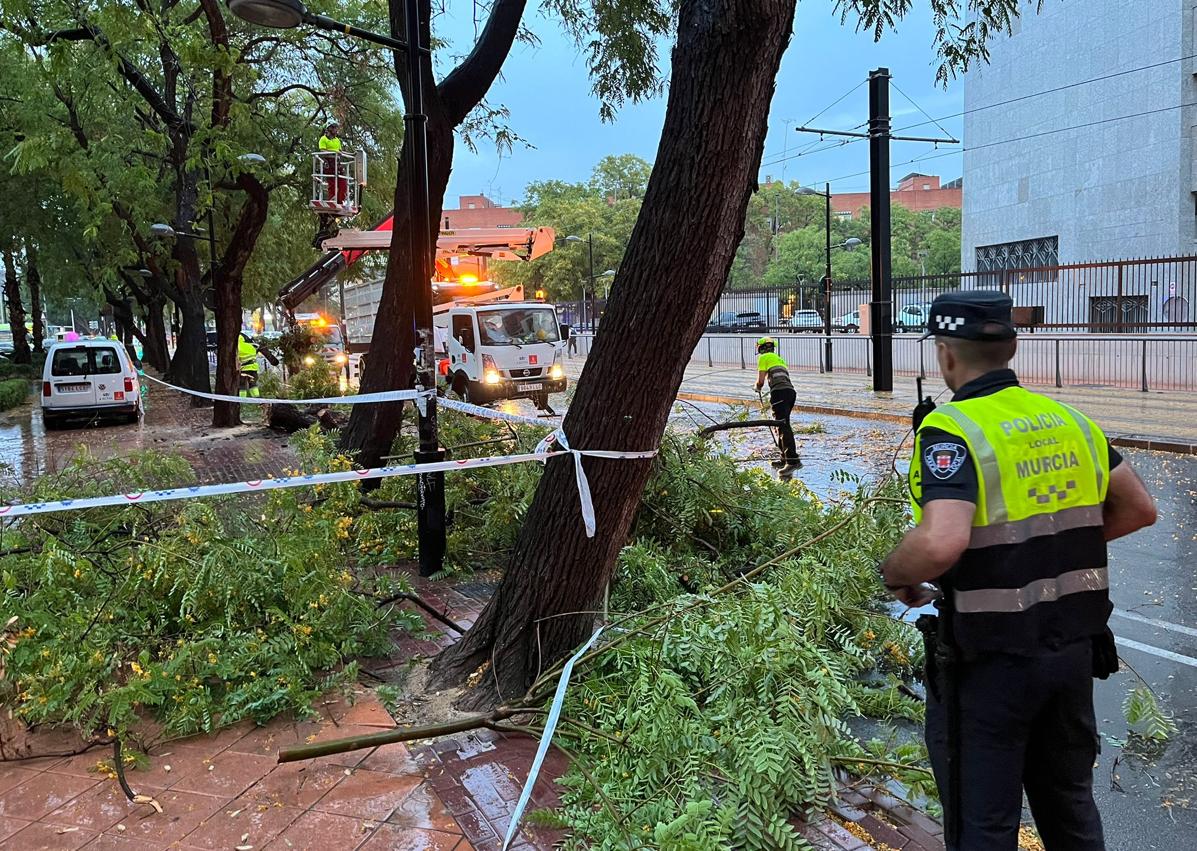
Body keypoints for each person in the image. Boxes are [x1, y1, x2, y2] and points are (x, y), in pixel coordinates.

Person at [879, 290, 1157, 851]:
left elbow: (942, 540)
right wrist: (1049, 547)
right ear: (1011, 348)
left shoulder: (953, 429)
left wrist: (895, 572)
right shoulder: (1070, 420)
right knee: (1071, 809)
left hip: (989, 665)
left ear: (947, 355)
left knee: (983, 824)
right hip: (1073, 655)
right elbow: (1139, 508)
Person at [753, 337, 801, 479]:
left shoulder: (763, 358)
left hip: (779, 393)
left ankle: (792, 460)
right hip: (790, 392)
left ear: (761, 348)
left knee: (782, 426)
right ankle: (784, 459)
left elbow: (761, 381)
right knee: (781, 425)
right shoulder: (779, 358)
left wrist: (757, 388)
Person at [314, 122, 347, 248]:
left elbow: (340, 152)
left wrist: (340, 154)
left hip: (337, 164)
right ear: (328, 128)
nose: (336, 129)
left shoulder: (337, 140)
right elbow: (322, 151)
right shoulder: (323, 139)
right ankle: (332, 199)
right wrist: (333, 154)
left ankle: (339, 201)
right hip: (329, 163)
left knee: (343, 184)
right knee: (332, 184)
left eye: (336, 127)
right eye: (333, 127)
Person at [238, 332, 261, 398]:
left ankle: (242, 400)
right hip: (253, 369)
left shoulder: (237, 347)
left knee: (242, 385)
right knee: (253, 384)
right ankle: (256, 398)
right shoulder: (252, 346)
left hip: (243, 370)